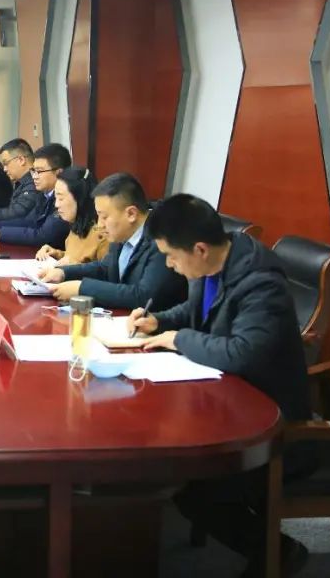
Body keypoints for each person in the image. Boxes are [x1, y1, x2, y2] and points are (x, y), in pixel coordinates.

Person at [129, 194, 313, 576]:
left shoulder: (260, 284)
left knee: (188, 487)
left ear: (199, 249)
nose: (169, 265)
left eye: (171, 257)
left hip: (270, 422)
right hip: (226, 399)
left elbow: (241, 353)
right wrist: (160, 321)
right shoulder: (214, 262)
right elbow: (198, 311)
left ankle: (280, 552)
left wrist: (178, 339)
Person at [38, 172, 186, 310]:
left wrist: (82, 288)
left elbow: (143, 296)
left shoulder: (162, 240)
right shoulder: (121, 233)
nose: (100, 224)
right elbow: (105, 268)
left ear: (131, 214)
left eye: (104, 217)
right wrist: (63, 273)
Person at [0, 143, 71, 248]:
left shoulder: (68, 198)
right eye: (33, 171)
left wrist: (0, 234)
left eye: (39, 171)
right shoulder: (44, 194)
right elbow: (31, 221)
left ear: (59, 173)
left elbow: (43, 235)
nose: (34, 176)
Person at [34, 167, 108, 266]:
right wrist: (57, 254)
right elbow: (74, 257)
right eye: (56, 198)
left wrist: (74, 267)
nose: (56, 204)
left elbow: (105, 272)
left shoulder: (103, 235)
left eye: (61, 198)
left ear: (80, 199)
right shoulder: (77, 225)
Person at [0, 138, 46, 223]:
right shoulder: (22, 182)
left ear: (21, 160)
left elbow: (19, 212)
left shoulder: (35, 180)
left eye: (6, 163)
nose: (5, 169)